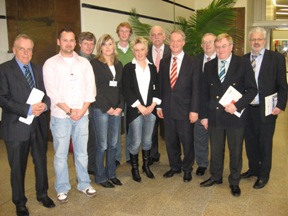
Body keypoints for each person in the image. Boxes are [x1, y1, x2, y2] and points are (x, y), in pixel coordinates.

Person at [0, 34, 55, 216]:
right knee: (17, 167)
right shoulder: (4, 69)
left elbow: (47, 93)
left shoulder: (38, 69)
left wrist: (45, 105)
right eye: (22, 48)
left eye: (29, 49)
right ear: (14, 49)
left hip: (38, 125)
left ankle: (42, 194)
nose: (26, 52)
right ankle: (19, 202)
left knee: (40, 161)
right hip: (16, 127)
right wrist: (28, 109)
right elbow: (3, 99)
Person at [199, 33, 257, 197]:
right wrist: (204, 116)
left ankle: (234, 181)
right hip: (215, 115)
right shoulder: (209, 65)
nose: (220, 50)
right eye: (217, 47)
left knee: (235, 151)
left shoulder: (243, 63)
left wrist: (237, 106)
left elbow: (252, 89)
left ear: (231, 47)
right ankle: (216, 176)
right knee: (216, 150)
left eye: (224, 46)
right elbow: (204, 93)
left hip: (234, 116)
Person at [43, 27, 97, 203]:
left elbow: (91, 89)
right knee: (60, 154)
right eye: (65, 40)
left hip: (82, 115)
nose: (69, 43)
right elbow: (53, 92)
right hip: (61, 117)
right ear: (59, 41)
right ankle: (62, 187)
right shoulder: (50, 64)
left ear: (75, 42)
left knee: (82, 153)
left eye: (71, 40)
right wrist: (69, 111)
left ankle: (84, 183)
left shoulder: (84, 63)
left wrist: (81, 111)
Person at [241, 27, 287, 189]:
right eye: (253, 39)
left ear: (265, 40)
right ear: (249, 41)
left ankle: (263, 175)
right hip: (247, 110)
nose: (256, 42)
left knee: (265, 144)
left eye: (259, 39)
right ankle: (253, 169)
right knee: (250, 143)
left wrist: (281, 105)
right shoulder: (243, 59)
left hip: (267, 109)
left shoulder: (276, 58)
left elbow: (282, 85)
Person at [157, 29, 201, 183]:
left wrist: (194, 110)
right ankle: (175, 166)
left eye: (178, 41)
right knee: (171, 140)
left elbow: (197, 88)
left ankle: (187, 168)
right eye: (172, 41)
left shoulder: (194, 62)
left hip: (186, 110)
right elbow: (161, 86)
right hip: (168, 109)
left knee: (187, 141)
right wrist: (159, 106)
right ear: (169, 43)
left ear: (183, 42)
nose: (175, 43)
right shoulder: (164, 62)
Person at [122, 36, 161, 182]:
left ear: (147, 50)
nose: (139, 53)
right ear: (133, 51)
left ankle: (146, 166)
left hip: (150, 110)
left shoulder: (152, 67)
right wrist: (140, 106)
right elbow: (127, 90)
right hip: (135, 110)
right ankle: (135, 168)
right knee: (135, 141)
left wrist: (151, 106)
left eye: (142, 49)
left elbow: (157, 89)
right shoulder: (128, 68)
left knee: (147, 141)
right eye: (136, 50)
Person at [90, 34, 124, 188]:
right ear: (100, 47)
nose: (108, 47)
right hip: (101, 109)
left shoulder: (119, 64)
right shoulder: (95, 63)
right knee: (102, 145)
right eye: (105, 44)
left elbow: (122, 87)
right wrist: (108, 108)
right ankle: (100, 176)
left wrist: (119, 107)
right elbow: (95, 88)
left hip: (116, 110)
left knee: (113, 144)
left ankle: (111, 174)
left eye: (110, 44)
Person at [147, 25, 171, 166]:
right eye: (153, 35)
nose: (156, 37)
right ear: (151, 37)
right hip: (150, 95)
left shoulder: (171, 50)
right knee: (151, 127)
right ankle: (153, 154)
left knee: (169, 129)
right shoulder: (146, 51)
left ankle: (173, 158)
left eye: (159, 34)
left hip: (168, 94)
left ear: (164, 36)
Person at [193, 33, 217, 176]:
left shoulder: (221, 60)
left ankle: (216, 165)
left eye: (211, 42)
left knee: (216, 139)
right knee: (199, 137)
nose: (207, 45)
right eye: (205, 42)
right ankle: (201, 163)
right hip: (199, 105)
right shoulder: (195, 61)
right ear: (201, 46)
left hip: (216, 108)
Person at [115, 22, 134, 166]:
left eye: (127, 31)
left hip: (130, 92)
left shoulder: (134, 49)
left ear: (130, 33)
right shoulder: (111, 48)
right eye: (121, 31)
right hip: (115, 92)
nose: (124, 34)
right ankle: (116, 156)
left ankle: (129, 155)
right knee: (116, 126)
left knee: (129, 125)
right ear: (118, 32)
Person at [78, 31, 97, 175]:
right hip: (79, 107)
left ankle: (91, 166)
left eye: (92, 44)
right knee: (80, 143)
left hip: (95, 106)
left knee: (93, 139)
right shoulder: (74, 59)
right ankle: (81, 172)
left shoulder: (96, 60)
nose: (89, 47)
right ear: (80, 44)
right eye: (86, 43)